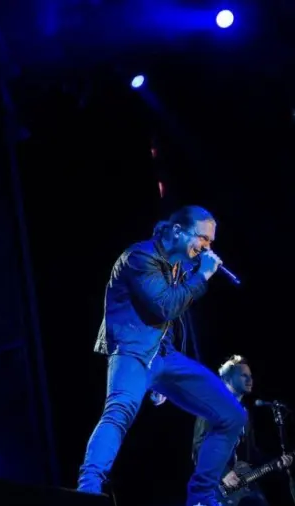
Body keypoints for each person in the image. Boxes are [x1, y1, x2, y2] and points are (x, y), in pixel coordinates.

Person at [77, 205, 248, 506]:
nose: (207, 247)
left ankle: (202, 496)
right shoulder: (139, 258)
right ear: (179, 231)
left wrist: (163, 381)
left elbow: (172, 320)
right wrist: (203, 275)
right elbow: (165, 306)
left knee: (232, 414)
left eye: (210, 242)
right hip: (132, 353)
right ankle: (88, 490)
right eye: (204, 239)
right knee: (119, 413)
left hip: (165, 356)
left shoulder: (178, 263)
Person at [192, 356, 293, 506]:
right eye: (243, 375)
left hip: (242, 487)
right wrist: (223, 473)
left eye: (250, 376)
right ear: (228, 378)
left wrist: (275, 462)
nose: (250, 379)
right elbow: (199, 447)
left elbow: (251, 453)